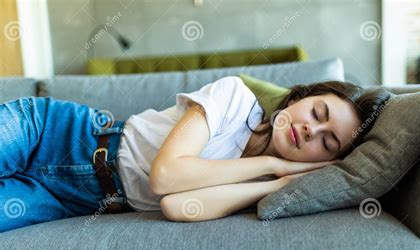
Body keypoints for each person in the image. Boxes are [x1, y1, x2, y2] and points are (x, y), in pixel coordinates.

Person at [0, 76, 390, 232]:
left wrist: (281, 181)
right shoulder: (235, 98)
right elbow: (164, 176)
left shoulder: (259, 185)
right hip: (53, 132)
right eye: (317, 114)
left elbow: (176, 205)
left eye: (327, 142)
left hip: (72, 199)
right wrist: (273, 162)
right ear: (300, 97)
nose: (311, 130)